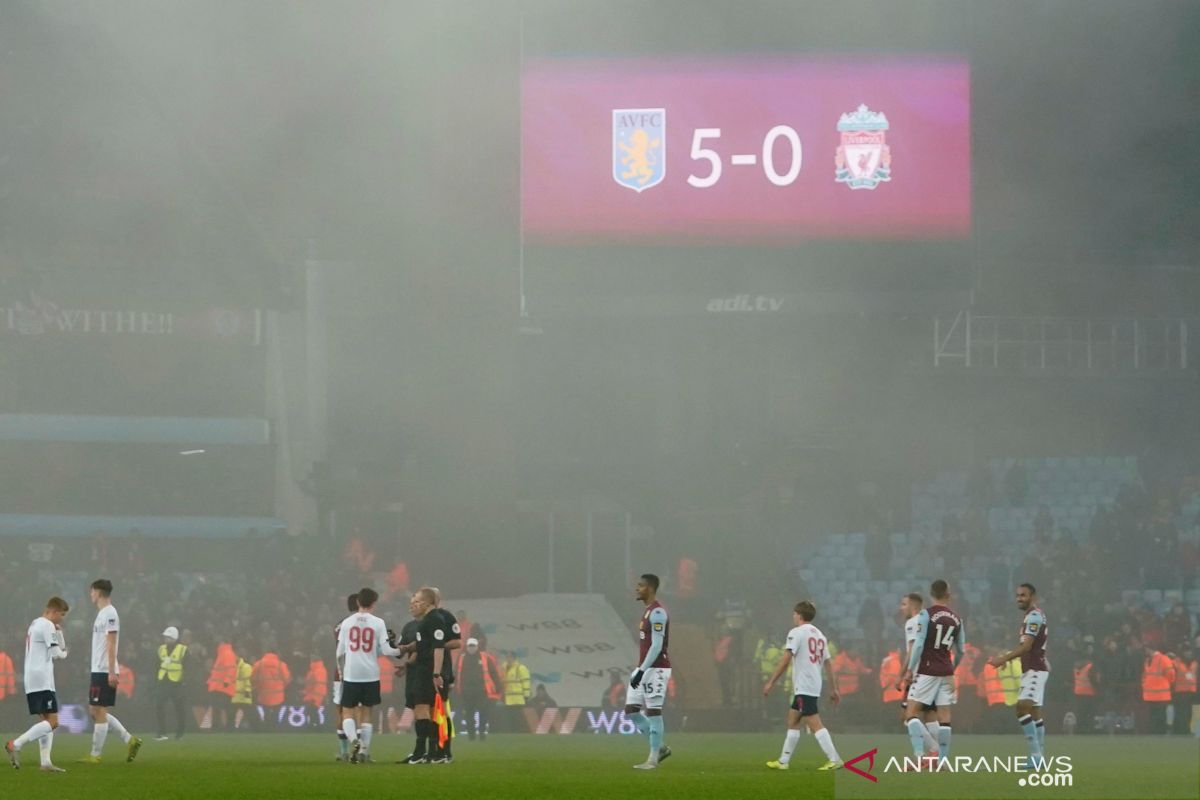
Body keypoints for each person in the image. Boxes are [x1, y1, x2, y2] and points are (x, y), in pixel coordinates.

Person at [762, 600, 843, 771]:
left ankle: (835, 759)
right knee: (793, 720)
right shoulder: (820, 635)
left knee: (814, 722)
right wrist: (833, 688)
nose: (793, 616)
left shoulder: (797, 632)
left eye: (794, 613)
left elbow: (786, 659)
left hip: (805, 685)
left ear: (799, 615)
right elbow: (828, 663)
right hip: (812, 684)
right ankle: (784, 761)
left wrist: (771, 681)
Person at [80, 579, 142, 764]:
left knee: (99, 710)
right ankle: (129, 740)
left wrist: (111, 671)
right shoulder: (102, 614)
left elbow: (111, 641)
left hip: (104, 669)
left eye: (91, 591)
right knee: (94, 710)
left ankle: (95, 755)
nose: (90, 595)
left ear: (98, 592)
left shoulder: (110, 613)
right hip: (98, 668)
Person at [5, 597, 70, 772]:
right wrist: (65, 652)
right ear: (53, 611)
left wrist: (59, 634)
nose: (61, 619)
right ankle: (15, 744)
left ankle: (45, 762)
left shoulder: (35, 624)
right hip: (42, 678)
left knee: (45, 721)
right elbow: (57, 653)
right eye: (61, 615)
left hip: (33, 678)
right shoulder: (47, 625)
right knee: (54, 722)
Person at [903, 580, 964, 767]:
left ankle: (919, 754)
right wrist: (952, 668)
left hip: (928, 670)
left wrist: (909, 670)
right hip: (947, 670)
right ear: (948, 594)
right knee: (944, 716)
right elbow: (961, 650)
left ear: (931, 594)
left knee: (911, 713)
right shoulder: (956, 618)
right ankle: (943, 759)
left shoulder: (925, 615)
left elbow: (919, 644)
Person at [336, 587, 401, 763]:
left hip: (352, 673)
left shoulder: (347, 623)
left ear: (358, 602)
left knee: (348, 711)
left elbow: (339, 651)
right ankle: (364, 750)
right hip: (371, 674)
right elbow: (387, 650)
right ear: (374, 603)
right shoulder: (378, 623)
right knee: (367, 714)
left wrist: (342, 669)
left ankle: (354, 741)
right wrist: (401, 649)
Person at [988, 583, 1049, 764]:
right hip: (1033, 669)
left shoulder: (1033, 617)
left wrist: (1003, 659)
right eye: (1018, 595)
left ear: (1033, 596)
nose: (1019, 598)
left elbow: (1027, 646)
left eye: (1023, 595)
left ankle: (1036, 756)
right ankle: (1039, 757)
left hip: (1035, 670)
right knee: (1035, 712)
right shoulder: (1032, 616)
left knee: (1022, 708)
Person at [396, 587, 458, 764]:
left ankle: (441, 750)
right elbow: (417, 647)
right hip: (418, 672)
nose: (413, 605)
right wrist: (407, 658)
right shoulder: (413, 625)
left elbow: (453, 642)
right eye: (413, 602)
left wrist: (439, 671)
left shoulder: (442, 618)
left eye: (417, 601)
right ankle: (430, 751)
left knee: (438, 710)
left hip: (436, 671)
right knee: (423, 710)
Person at [625, 573, 672, 770]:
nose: (637, 588)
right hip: (644, 667)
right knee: (632, 711)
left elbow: (657, 646)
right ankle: (660, 747)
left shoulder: (658, 613)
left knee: (653, 712)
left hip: (657, 669)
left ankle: (652, 760)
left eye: (641, 585)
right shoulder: (647, 612)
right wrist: (640, 669)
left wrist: (642, 670)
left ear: (650, 589)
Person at [899, 593, 940, 755]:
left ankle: (924, 753)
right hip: (935, 673)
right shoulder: (930, 621)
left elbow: (912, 650)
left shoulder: (912, 622)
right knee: (930, 715)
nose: (901, 608)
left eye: (903, 604)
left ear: (913, 606)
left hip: (918, 674)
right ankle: (939, 757)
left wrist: (902, 674)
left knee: (908, 716)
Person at [455, 637, 503, 740]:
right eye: (470, 646)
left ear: (477, 646)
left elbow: (493, 673)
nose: (471, 648)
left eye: (473, 646)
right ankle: (471, 736)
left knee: (483, 713)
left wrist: (498, 686)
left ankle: (482, 734)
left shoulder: (485, 657)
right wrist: (455, 688)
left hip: (482, 691)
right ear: (466, 647)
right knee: (469, 715)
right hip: (466, 692)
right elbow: (456, 674)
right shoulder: (462, 658)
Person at [332, 592, 359, 761]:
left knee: (341, 710)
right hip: (360, 672)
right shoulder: (370, 624)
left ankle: (343, 751)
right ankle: (362, 749)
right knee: (361, 711)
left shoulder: (340, 625)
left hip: (340, 671)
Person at [154, 626, 188, 741]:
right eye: (165, 637)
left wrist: (185, 681)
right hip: (163, 681)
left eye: (168, 637)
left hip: (177, 682)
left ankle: (180, 732)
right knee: (159, 705)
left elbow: (188, 666)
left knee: (179, 708)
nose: (166, 639)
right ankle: (162, 733)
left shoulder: (183, 649)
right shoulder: (161, 649)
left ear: (174, 638)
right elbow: (156, 664)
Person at [1139, 642, 1175, 735]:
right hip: (1152, 695)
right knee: (1154, 717)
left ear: (1149, 649)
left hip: (1160, 695)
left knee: (1159, 717)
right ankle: (1156, 734)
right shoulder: (1148, 660)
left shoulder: (1163, 659)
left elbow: (1171, 675)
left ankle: (1159, 734)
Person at [1171, 645, 1196, 736]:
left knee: (1188, 712)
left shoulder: (1194, 663)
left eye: (1189, 651)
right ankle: (1180, 730)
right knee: (1180, 712)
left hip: (1191, 692)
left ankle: (1186, 729)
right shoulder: (1176, 662)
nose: (1188, 653)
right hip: (1179, 692)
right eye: (1186, 651)